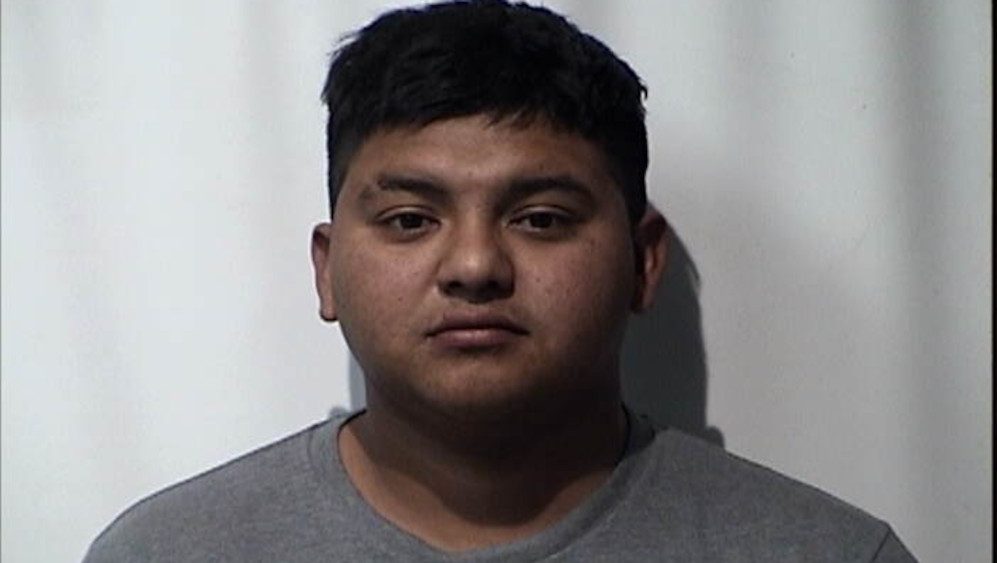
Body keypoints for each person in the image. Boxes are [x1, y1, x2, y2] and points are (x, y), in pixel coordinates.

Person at [85, 1, 916, 561]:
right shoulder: (167, 552)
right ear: (327, 269)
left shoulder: (826, 552)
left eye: (541, 218)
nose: (475, 265)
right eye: (410, 219)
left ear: (643, 261)